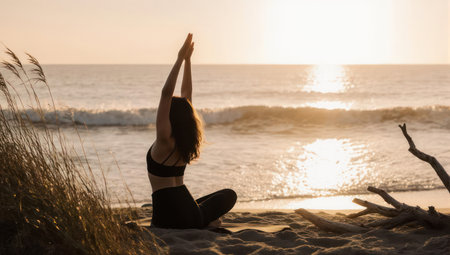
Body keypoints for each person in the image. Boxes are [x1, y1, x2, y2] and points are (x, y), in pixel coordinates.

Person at [147, 33, 237, 229]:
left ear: (169, 115)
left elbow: (166, 94)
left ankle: (207, 221)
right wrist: (188, 61)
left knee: (204, 204)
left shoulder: (164, 140)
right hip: (189, 216)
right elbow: (187, 97)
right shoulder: (183, 143)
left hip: (162, 220)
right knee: (229, 195)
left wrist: (180, 58)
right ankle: (208, 222)